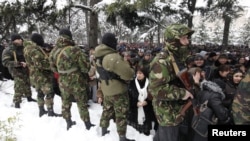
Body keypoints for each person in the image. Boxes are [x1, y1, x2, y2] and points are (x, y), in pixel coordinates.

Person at [148, 23, 194, 141]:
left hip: (177, 108)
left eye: (187, 38)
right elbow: (156, 90)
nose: (187, 41)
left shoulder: (177, 57)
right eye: (183, 38)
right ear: (174, 40)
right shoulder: (162, 61)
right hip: (168, 112)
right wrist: (182, 93)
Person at [49, 28, 94, 130]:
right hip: (77, 81)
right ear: (69, 37)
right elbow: (85, 67)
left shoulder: (53, 51)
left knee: (65, 102)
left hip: (62, 81)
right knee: (82, 102)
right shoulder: (75, 50)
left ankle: (68, 122)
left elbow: (52, 68)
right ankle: (87, 124)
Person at [94, 33, 135, 141]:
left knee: (107, 110)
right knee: (121, 113)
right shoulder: (113, 57)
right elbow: (128, 74)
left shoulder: (98, 55)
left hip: (106, 89)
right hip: (118, 90)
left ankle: (103, 129)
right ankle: (122, 137)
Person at [23, 33, 61, 117]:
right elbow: (40, 64)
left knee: (40, 93)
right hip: (42, 75)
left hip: (34, 75)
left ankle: (41, 110)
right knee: (50, 93)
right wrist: (52, 65)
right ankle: (50, 112)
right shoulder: (34, 50)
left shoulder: (27, 48)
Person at [188, 67, 230, 141]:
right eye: (200, 73)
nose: (203, 73)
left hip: (195, 123)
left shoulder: (195, 89)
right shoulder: (211, 92)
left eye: (202, 72)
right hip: (205, 123)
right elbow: (222, 114)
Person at [2, 33, 36, 108]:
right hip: (16, 70)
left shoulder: (24, 47)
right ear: (14, 40)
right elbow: (5, 62)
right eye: (18, 39)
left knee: (27, 82)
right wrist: (19, 63)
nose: (21, 40)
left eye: (20, 39)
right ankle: (17, 102)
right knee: (19, 85)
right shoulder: (8, 50)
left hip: (25, 68)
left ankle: (29, 97)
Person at [127, 66, 158, 136]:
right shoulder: (131, 84)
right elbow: (128, 98)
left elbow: (153, 96)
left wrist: (147, 101)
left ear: (145, 74)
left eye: (140, 73)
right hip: (134, 114)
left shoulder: (150, 84)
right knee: (134, 135)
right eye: (137, 73)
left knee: (145, 135)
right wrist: (136, 104)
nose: (138, 75)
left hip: (147, 115)